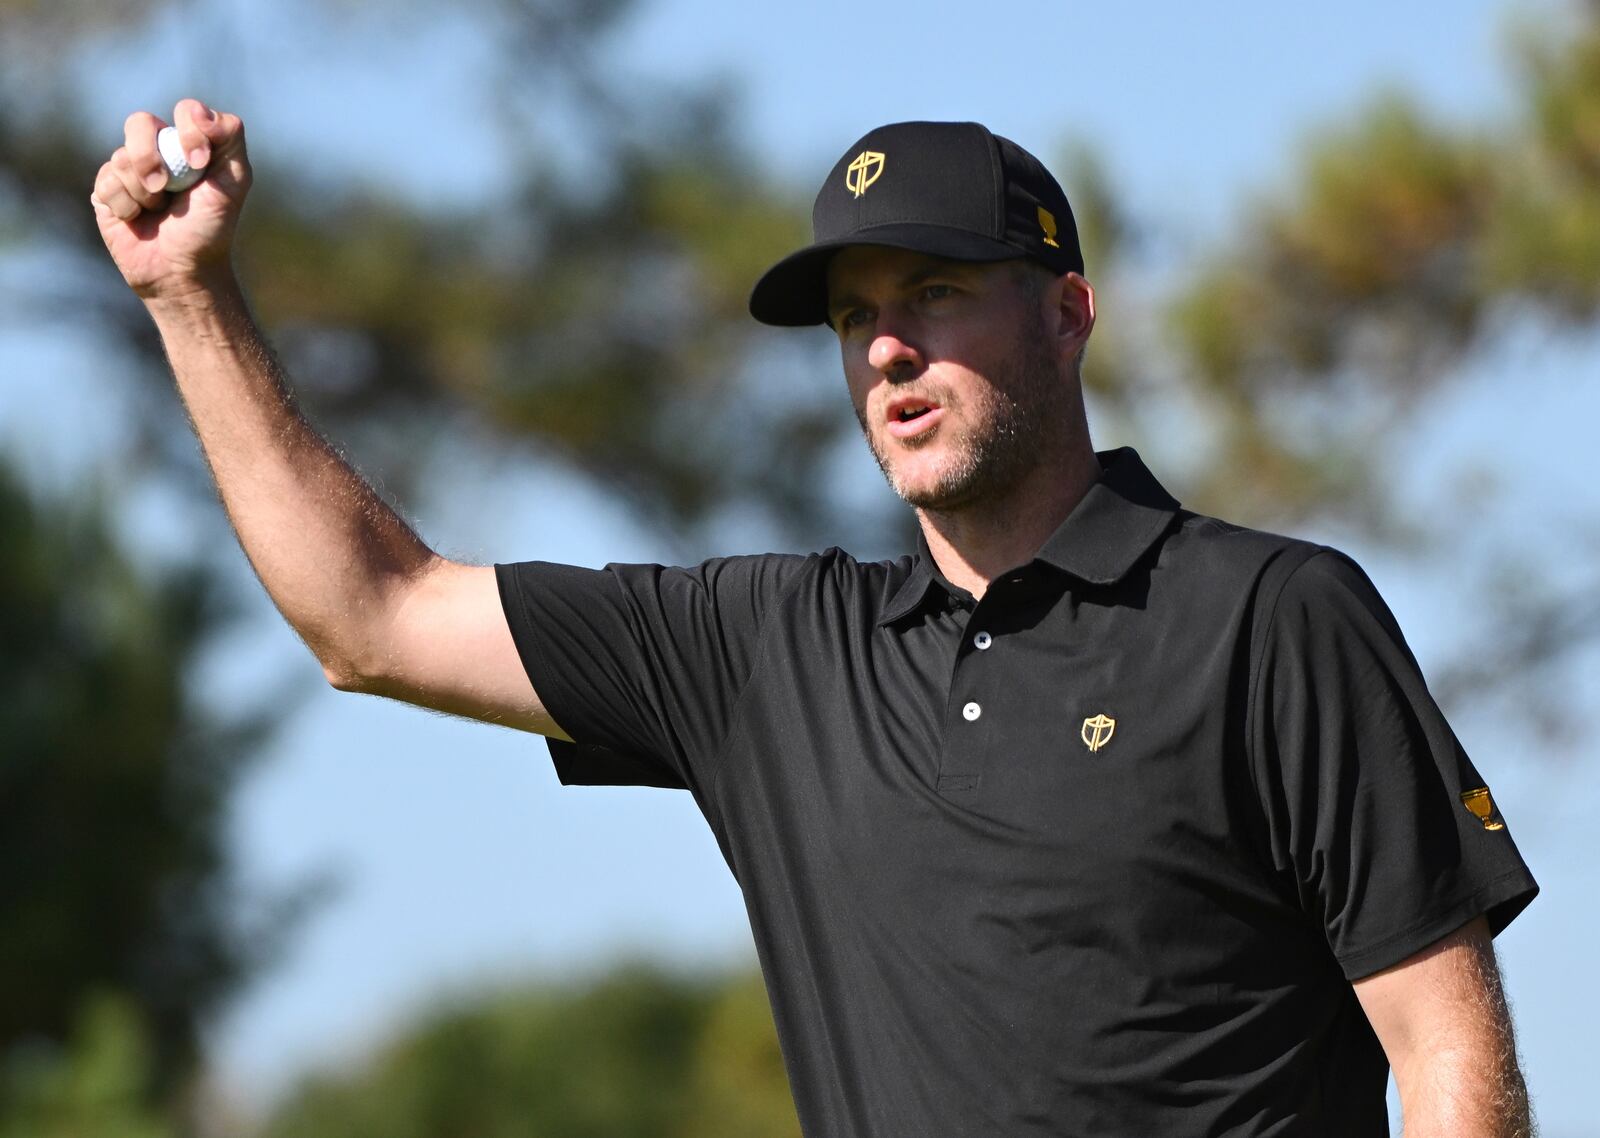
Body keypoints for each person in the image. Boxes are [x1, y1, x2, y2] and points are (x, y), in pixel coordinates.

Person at [92, 102, 1537, 1136]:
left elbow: (1450, 1057)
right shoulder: (770, 651)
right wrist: (191, 297)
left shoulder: (1271, 618)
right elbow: (375, 616)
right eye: (855, 319)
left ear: (1070, 313)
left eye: (938, 291)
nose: (889, 345)